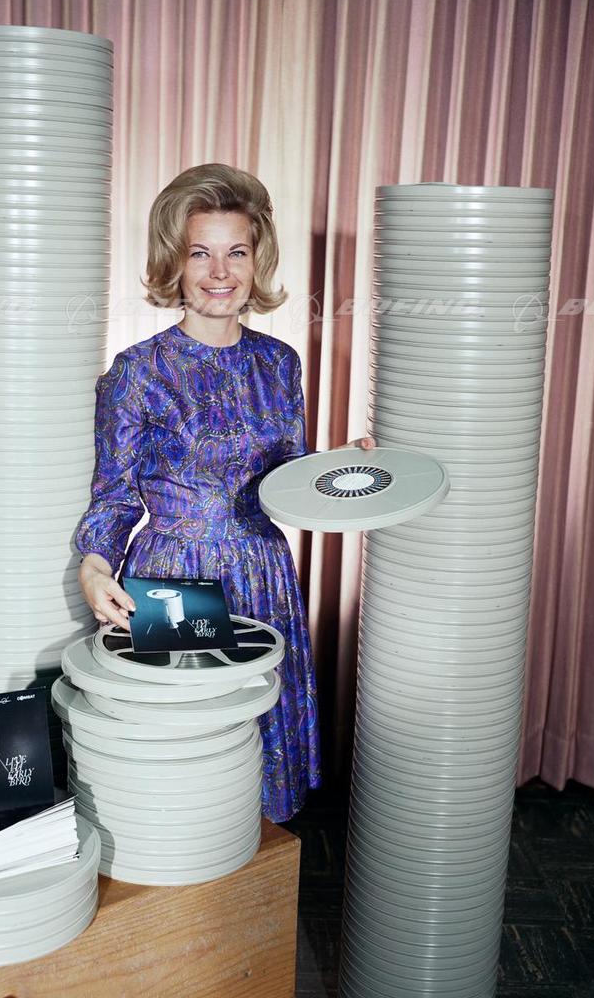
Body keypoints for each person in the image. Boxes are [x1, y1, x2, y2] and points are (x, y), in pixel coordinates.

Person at [76, 163, 375, 822]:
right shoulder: (137, 372)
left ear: (255, 259)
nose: (219, 272)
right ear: (174, 263)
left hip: (263, 574)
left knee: (254, 760)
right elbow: (114, 495)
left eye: (235, 252)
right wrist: (94, 567)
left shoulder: (279, 363)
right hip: (174, 579)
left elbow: (286, 479)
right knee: (188, 761)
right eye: (199, 253)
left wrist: (340, 470)